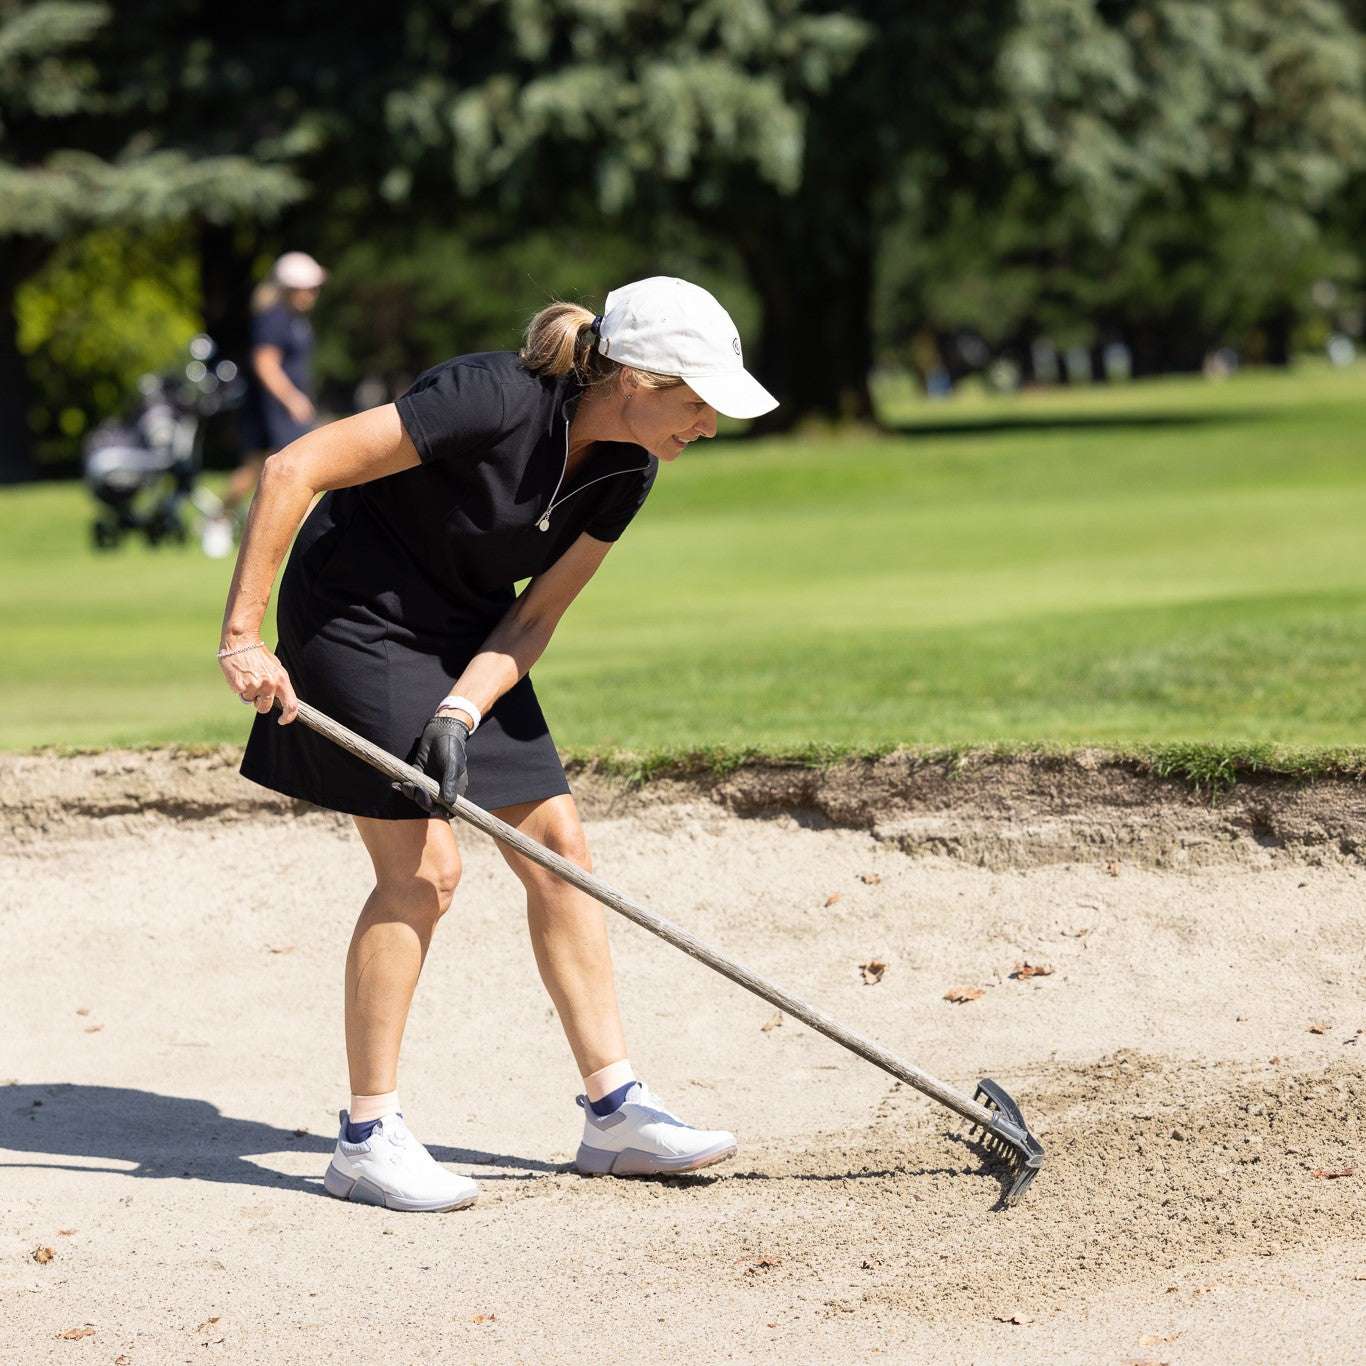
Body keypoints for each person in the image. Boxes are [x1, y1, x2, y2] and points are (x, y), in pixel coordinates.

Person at [216, 276, 778, 1212]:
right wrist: (243, 634)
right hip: (355, 619)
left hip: (466, 633)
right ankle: (364, 1139)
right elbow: (293, 468)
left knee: (561, 853)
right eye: (698, 401)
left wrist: (463, 711)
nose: (710, 425)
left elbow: (536, 615)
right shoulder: (491, 396)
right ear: (637, 378)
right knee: (427, 872)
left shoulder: (625, 470)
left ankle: (615, 1113)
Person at [203, 252, 327, 557]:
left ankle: (222, 519)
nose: (313, 293)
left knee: (256, 470)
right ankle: (319, 536)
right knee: (291, 470)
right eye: (308, 287)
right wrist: (292, 398)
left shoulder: (294, 319)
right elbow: (265, 364)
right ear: (290, 287)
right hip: (272, 410)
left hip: (282, 410)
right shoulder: (274, 318)